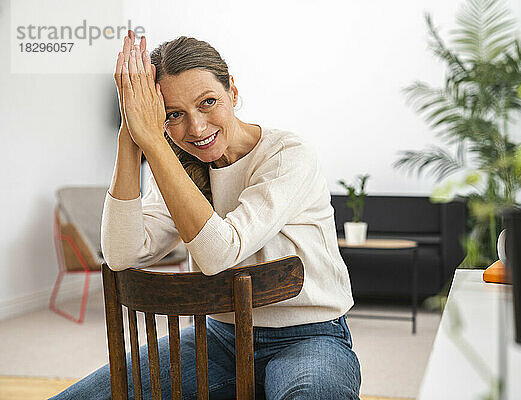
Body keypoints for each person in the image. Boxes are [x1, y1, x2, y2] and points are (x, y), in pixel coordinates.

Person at [51, 30, 361, 399]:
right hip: (219, 338)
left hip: (308, 336)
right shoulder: (180, 166)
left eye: (208, 102)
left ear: (232, 88)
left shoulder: (287, 154)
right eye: (174, 115)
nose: (196, 129)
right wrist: (129, 137)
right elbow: (121, 254)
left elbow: (219, 252)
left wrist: (154, 142)